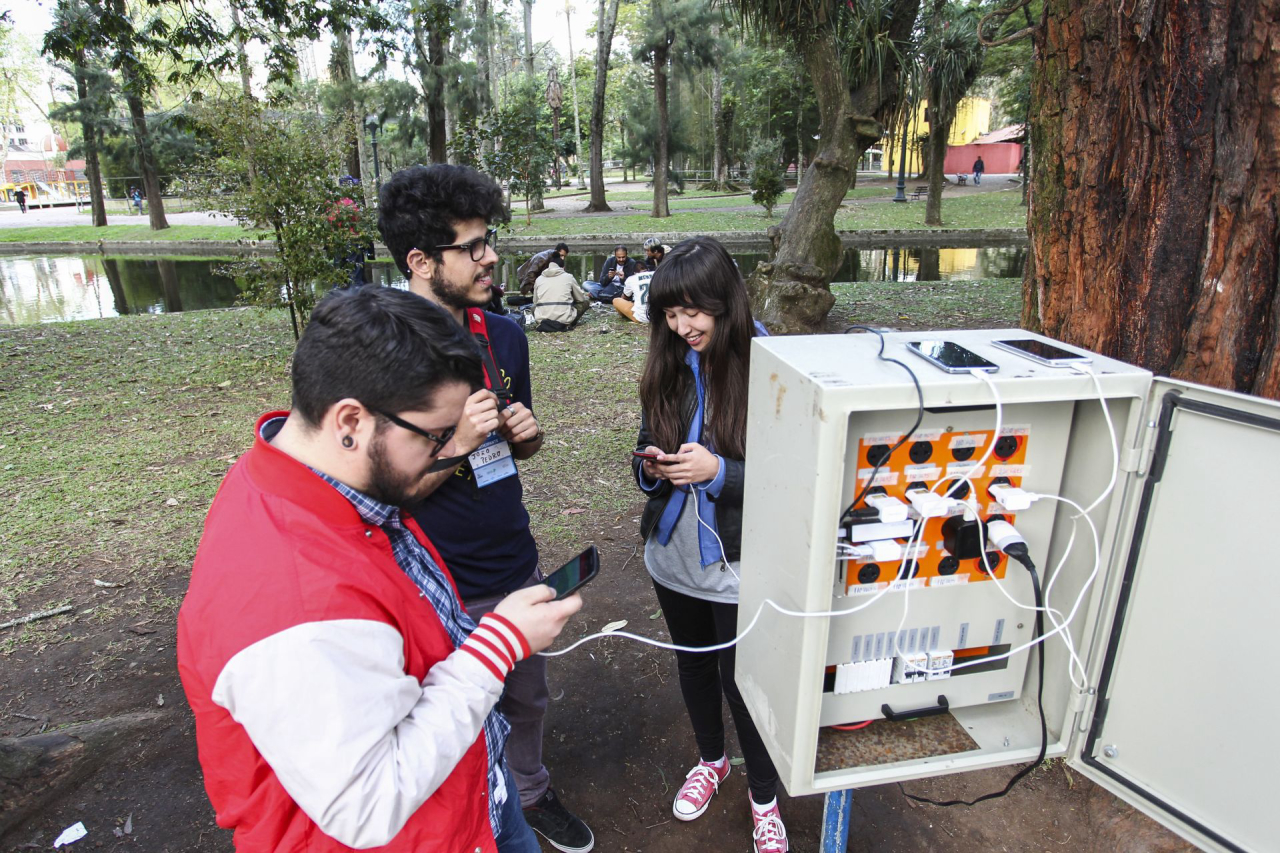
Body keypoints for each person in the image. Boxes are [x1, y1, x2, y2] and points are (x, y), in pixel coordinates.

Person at [177, 286, 583, 853]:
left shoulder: (312, 484)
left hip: (473, 796)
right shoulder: (294, 605)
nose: (451, 451)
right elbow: (369, 804)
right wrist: (501, 645)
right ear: (351, 422)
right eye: (439, 436)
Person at [377, 164, 595, 853]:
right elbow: (379, 493)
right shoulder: (382, 350)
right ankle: (471, 817)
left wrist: (523, 438)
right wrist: (459, 442)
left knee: (526, 697)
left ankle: (528, 793)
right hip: (429, 580)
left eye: (488, 239)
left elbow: (509, 453)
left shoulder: (503, 335)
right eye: (470, 246)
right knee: (444, 714)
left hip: (511, 558)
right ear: (419, 260)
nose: (490, 256)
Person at [630, 238, 786, 853]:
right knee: (692, 662)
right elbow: (646, 442)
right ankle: (712, 760)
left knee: (742, 679)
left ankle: (765, 797)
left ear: (725, 302)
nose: (682, 326)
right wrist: (651, 467)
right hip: (671, 557)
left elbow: (793, 473)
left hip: (736, 561)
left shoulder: (769, 366)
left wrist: (718, 472)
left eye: (693, 311)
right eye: (670, 314)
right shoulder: (668, 363)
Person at [532, 258, 590, 332]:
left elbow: (535, 302)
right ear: (563, 268)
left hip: (542, 320)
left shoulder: (539, 279)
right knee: (586, 301)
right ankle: (569, 323)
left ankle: (544, 323)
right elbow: (581, 298)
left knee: (533, 307)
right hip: (564, 319)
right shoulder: (569, 277)